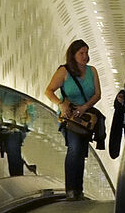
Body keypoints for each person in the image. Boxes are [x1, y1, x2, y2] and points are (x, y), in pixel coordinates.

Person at [44, 39, 102, 199]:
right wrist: (61, 104)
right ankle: (71, 189)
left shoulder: (92, 71)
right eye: (81, 53)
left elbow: (97, 94)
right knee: (74, 148)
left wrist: (84, 107)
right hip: (69, 118)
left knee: (81, 151)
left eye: (86, 53)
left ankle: (78, 190)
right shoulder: (64, 71)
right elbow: (49, 90)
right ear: (73, 54)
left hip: (85, 118)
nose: (85, 56)